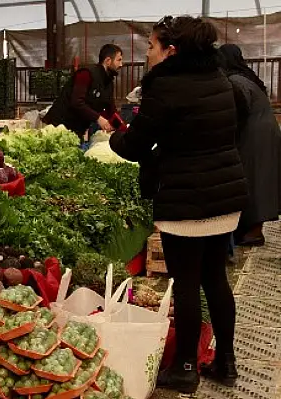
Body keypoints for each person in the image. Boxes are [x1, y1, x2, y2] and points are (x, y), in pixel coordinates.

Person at [109, 16, 248, 393]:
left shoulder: (165, 87)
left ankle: (186, 366)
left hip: (186, 200)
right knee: (215, 278)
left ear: (172, 50)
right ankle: (226, 362)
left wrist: (115, 139)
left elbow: (135, 145)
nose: (147, 53)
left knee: (186, 282)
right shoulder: (221, 80)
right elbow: (236, 122)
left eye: (151, 46)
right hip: (224, 196)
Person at [218, 44, 281, 246]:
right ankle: (251, 230)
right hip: (262, 132)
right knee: (258, 180)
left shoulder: (236, 80)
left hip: (255, 135)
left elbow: (239, 109)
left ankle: (253, 232)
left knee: (253, 181)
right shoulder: (245, 77)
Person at [42, 44, 123, 138]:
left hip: (77, 129)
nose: (121, 64)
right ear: (108, 61)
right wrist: (99, 119)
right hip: (59, 125)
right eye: (119, 60)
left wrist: (122, 129)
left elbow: (111, 108)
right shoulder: (86, 73)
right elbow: (77, 102)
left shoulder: (108, 82)